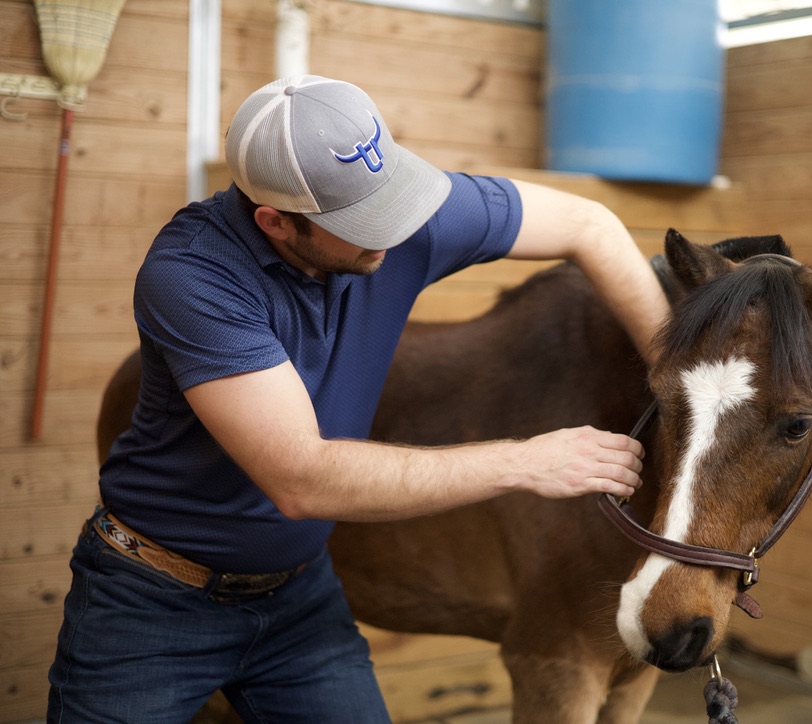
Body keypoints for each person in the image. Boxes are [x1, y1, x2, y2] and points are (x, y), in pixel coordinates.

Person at [45, 74, 669, 722]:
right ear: (276, 221)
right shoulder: (194, 277)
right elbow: (301, 479)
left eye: (392, 202)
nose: (396, 231)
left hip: (298, 598)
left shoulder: (396, 218)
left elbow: (590, 225)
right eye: (366, 223)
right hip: (153, 599)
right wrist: (526, 462)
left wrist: (671, 374)